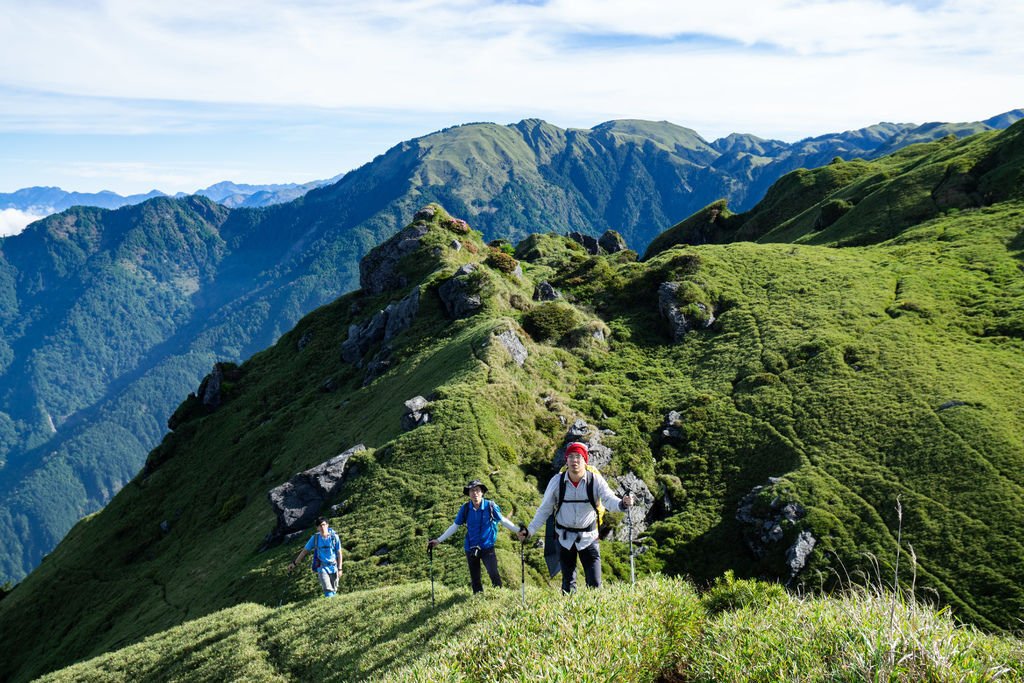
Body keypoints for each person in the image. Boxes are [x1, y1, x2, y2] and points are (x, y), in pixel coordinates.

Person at [518, 442, 632, 594]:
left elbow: (609, 499)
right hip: (564, 539)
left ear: (585, 460)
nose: (574, 461)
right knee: (568, 582)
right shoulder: (557, 482)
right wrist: (530, 530)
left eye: (578, 456)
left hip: (589, 537)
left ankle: (594, 613)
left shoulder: (595, 480)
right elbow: (544, 510)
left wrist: (622, 503)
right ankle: (570, 613)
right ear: (566, 460)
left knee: (595, 583)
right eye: (571, 457)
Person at [428, 479, 520, 593]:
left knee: (493, 573)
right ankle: (478, 599)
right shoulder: (465, 508)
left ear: (482, 492)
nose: (474, 493)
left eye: (477, 490)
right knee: (475, 578)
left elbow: (503, 521)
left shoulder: (490, 506)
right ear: (469, 494)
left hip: (487, 547)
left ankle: (499, 595)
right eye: (472, 491)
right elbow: (455, 526)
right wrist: (438, 540)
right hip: (470, 548)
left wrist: (518, 530)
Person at [289, 516, 343, 598]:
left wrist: (340, 569)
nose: (322, 527)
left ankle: (333, 605)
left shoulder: (334, 537)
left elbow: (339, 553)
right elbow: (304, 551)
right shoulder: (315, 538)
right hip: (322, 567)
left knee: (334, 589)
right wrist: (294, 563)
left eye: (324, 525)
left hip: (333, 567)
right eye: (320, 526)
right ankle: (329, 604)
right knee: (328, 590)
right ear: (317, 528)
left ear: (327, 525)